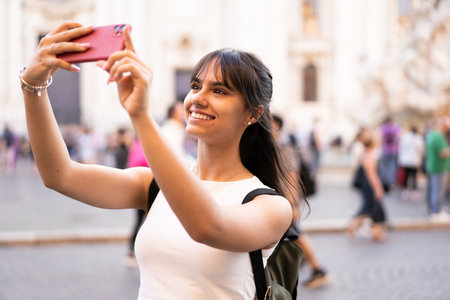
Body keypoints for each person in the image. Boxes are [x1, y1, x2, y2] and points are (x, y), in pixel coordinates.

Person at [19, 21, 305, 299]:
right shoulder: (153, 186)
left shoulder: (271, 206)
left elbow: (207, 226)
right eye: (196, 86)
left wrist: (140, 116)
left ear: (253, 114)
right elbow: (60, 175)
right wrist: (33, 86)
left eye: (219, 91)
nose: (198, 98)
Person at [272, 114, 330, 289]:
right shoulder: (275, 149)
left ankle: (318, 269)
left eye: (271, 126)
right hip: (277, 202)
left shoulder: (286, 150)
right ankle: (305, 264)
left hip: (286, 203)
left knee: (297, 235)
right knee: (293, 236)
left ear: (277, 128)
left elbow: (292, 177)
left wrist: (292, 204)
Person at [347, 130, 388, 242]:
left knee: (373, 210)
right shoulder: (370, 156)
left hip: (367, 186)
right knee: (371, 209)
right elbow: (372, 175)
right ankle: (355, 226)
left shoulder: (366, 154)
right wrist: (378, 188)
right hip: (370, 186)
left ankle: (376, 233)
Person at [425, 117, 450, 222]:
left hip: (435, 166)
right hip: (439, 167)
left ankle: (436, 210)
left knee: (435, 190)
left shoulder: (432, 135)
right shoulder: (438, 137)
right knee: (438, 191)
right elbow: (443, 153)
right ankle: (436, 212)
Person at [397, 124, 424, 201]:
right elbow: (421, 150)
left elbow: (401, 148)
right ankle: (414, 192)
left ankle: (406, 191)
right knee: (414, 177)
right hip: (414, 160)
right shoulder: (418, 138)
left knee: (407, 176)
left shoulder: (405, 137)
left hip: (406, 160)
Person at [378, 116, 401, 189]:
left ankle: (384, 181)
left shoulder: (383, 128)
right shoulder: (397, 128)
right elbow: (399, 138)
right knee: (392, 167)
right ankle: (391, 182)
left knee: (384, 166)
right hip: (394, 150)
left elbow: (380, 138)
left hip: (385, 150)